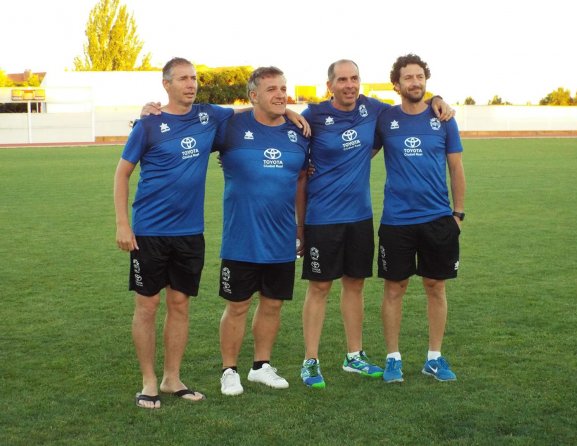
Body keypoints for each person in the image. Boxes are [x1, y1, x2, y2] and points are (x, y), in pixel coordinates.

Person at [299, 59, 454, 389]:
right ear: (330, 85)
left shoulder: (375, 110)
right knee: (320, 287)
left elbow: (414, 100)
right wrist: (285, 114)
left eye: (354, 78)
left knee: (355, 284)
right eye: (342, 80)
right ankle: (310, 361)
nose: (349, 85)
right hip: (322, 215)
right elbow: (282, 126)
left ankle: (354, 356)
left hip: (360, 215)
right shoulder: (313, 115)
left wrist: (437, 97)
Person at [114, 57, 234, 409]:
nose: (190, 84)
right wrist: (123, 223)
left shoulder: (208, 116)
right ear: (166, 84)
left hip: (190, 232)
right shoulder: (148, 124)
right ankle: (149, 380)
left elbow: (252, 111)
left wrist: (288, 112)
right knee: (147, 305)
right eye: (182, 78)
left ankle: (172, 378)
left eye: (194, 78)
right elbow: (122, 174)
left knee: (180, 304)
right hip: (149, 232)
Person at [214, 67, 308, 396]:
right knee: (237, 305)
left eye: (283, 88)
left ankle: (261, 366)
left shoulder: (300, 133)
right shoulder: (231, 127)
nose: (281, 94)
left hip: (281, 237)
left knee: (272, 304)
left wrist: (300, 225)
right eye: (272, 89)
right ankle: (229, 370)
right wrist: (149, 111)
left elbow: (300, 180)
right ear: (254, 95)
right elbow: (188, 123)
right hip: (241, 237)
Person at [375, 53, 466, 383]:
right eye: (408, 78)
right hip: (397, 220)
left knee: (435, 286)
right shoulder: (385, 119)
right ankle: (393, 358)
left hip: (438, 219)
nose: (415, 82)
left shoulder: (442, 118)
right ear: (396, 84)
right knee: (394, 288)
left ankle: (434, 357)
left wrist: (457, 214)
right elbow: (360, 153)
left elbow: (456, 167)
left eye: (420, 77)